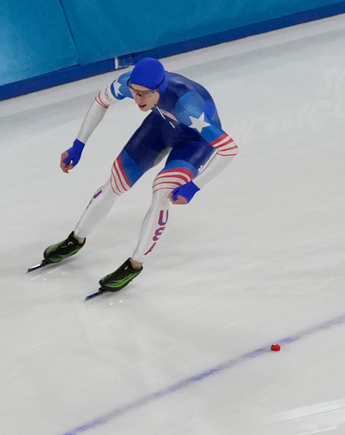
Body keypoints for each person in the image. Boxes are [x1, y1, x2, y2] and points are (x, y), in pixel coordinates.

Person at [40, 57, 239, 291]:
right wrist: (78, 145)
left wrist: (195, 186)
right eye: (134, 92)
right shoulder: (128, 83)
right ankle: (75, 239)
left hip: (194, 142)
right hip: (161, 124)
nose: (137, 99)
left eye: (144, 94)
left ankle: (135, 264)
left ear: (159, 88)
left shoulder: (187, 106)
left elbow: (229, 148)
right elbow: (100, 102)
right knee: (115, 182)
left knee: (162, 192)